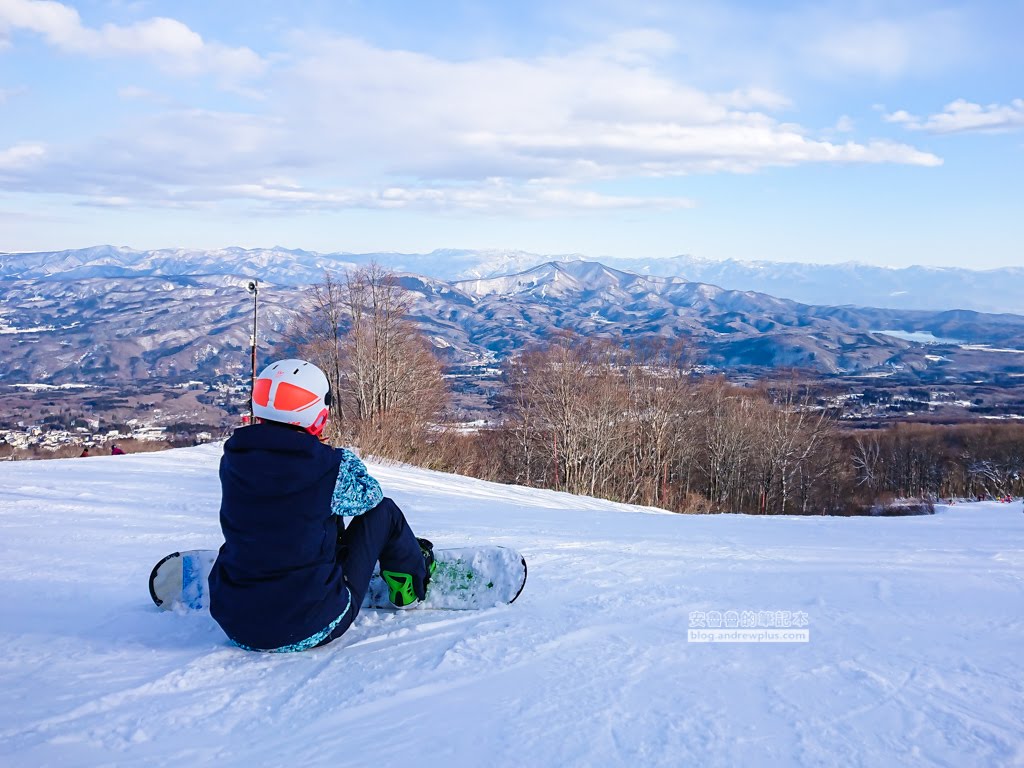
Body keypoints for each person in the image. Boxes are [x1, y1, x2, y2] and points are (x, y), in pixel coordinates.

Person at [209, 359, 434, 652]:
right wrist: (337, 455)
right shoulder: (328, 467)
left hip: (236, 625)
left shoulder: (233, 458)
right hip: (313, 624)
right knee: (385, 512)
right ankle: (410, 585)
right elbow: (371, 496)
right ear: (318, 412)